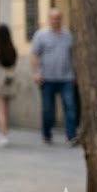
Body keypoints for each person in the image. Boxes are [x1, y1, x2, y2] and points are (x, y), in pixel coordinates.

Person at [31, 8, 78, 146]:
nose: (55, 20)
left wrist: (76, 73)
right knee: (48, 109)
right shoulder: (40, 35)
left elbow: (74, 55)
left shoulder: (68, 35)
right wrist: (36, 73)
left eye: (58, 18)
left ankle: (71, 135)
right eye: (53, 18)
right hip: (47, 78)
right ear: (49, 19)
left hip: (66, 78)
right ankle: (47, 134)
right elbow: (34, 54)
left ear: (61, 19)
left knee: (70, 106)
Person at [0, 24, 18, 147]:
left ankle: (2, 134)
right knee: (5, 109)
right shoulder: (12, 49)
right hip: (10, 79)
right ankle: (4, 131)